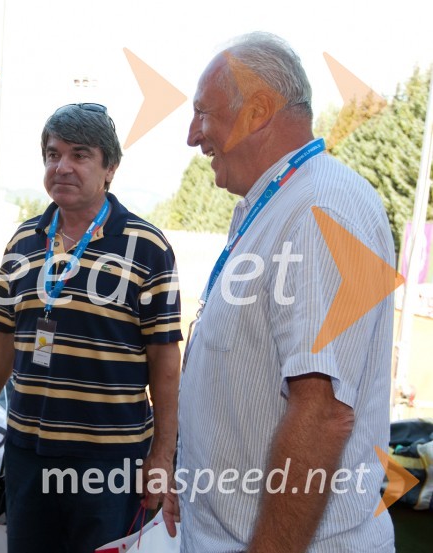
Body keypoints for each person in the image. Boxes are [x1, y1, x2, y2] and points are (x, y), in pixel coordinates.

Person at [164, 32, 395, 551]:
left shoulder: (320, 210)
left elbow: (323, 415)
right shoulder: (278, 206)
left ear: (260, 110)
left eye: (203, 112)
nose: (192, 134)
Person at [0, 103, 183, 552]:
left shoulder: (147, 246)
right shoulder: (24, 241)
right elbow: (2, 335)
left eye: (79, 155)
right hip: (29, 455)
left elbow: (164, 357)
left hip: (109, 462)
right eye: (52, 154)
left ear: (110, 168)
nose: (61, 166)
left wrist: (162, 454)